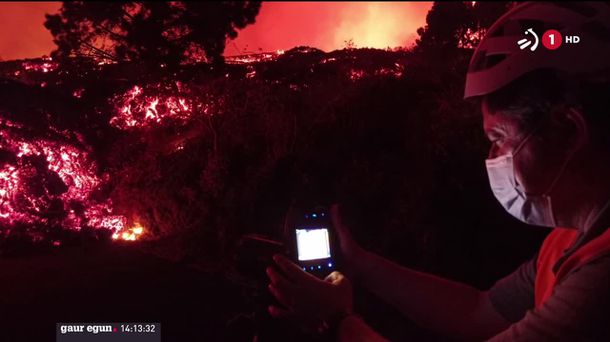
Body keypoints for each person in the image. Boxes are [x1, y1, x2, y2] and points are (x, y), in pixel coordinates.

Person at [266, 2, 610, 341]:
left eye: (500, 138)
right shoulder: (569, 239)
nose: (493, 156)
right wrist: (361, 265)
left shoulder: (599, 279)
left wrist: (338, 320)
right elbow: (480, 311)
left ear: (569, 131)